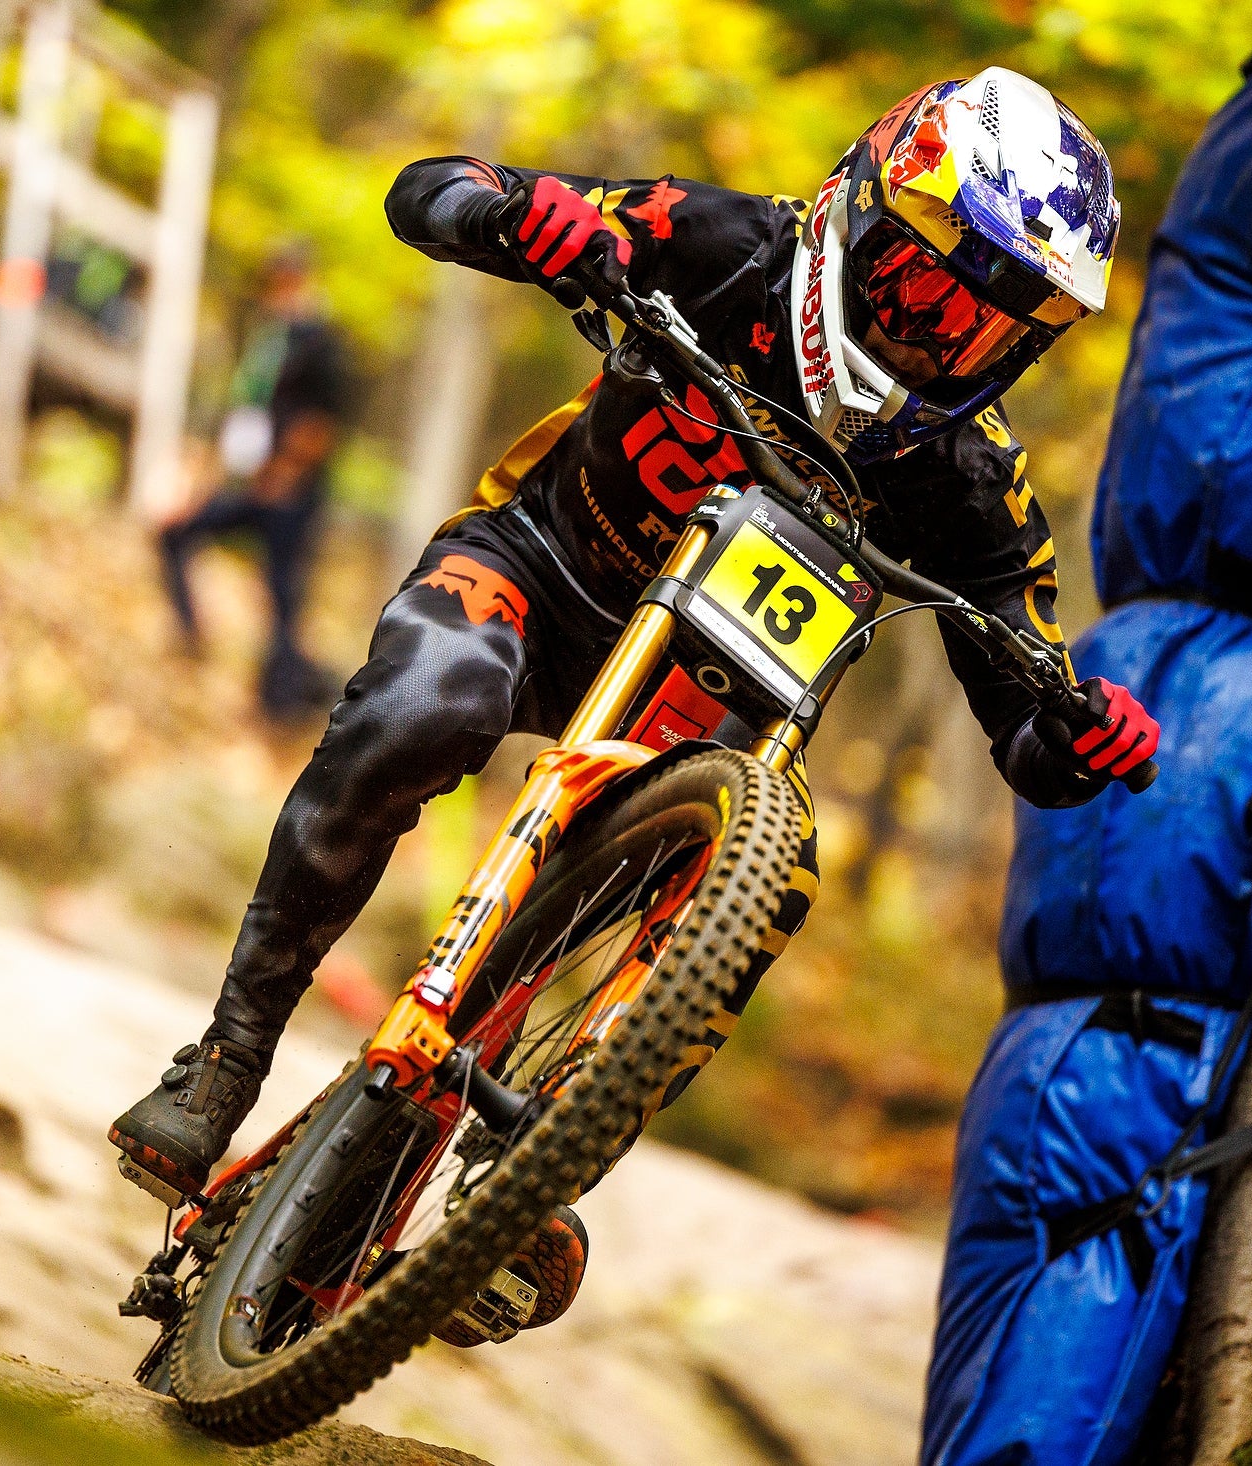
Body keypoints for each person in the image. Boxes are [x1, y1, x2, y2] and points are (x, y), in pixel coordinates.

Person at [113, 69, 1160, 1332]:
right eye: (920, 290)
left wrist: (1084, 733)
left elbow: (1027, 725)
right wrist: (521, 217)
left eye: (983, 333)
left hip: (697, 713)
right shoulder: (719, 243)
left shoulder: (971, 484)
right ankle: (226, 1056)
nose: (934, 342)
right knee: (421, 705)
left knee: (767, 876)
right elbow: (428, 190)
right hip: (539, 576)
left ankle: (531, 1175)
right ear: (860, 211)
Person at [156, 249, 348, 719]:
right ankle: (192, 637)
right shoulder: (267, 341)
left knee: (282, 595)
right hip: (250, 482)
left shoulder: (322, 343)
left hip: (291, 492)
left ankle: (283, 702)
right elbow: (245, 413)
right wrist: (209, 474)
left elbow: (324, 422)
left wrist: (286, 471)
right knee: (176, 532)